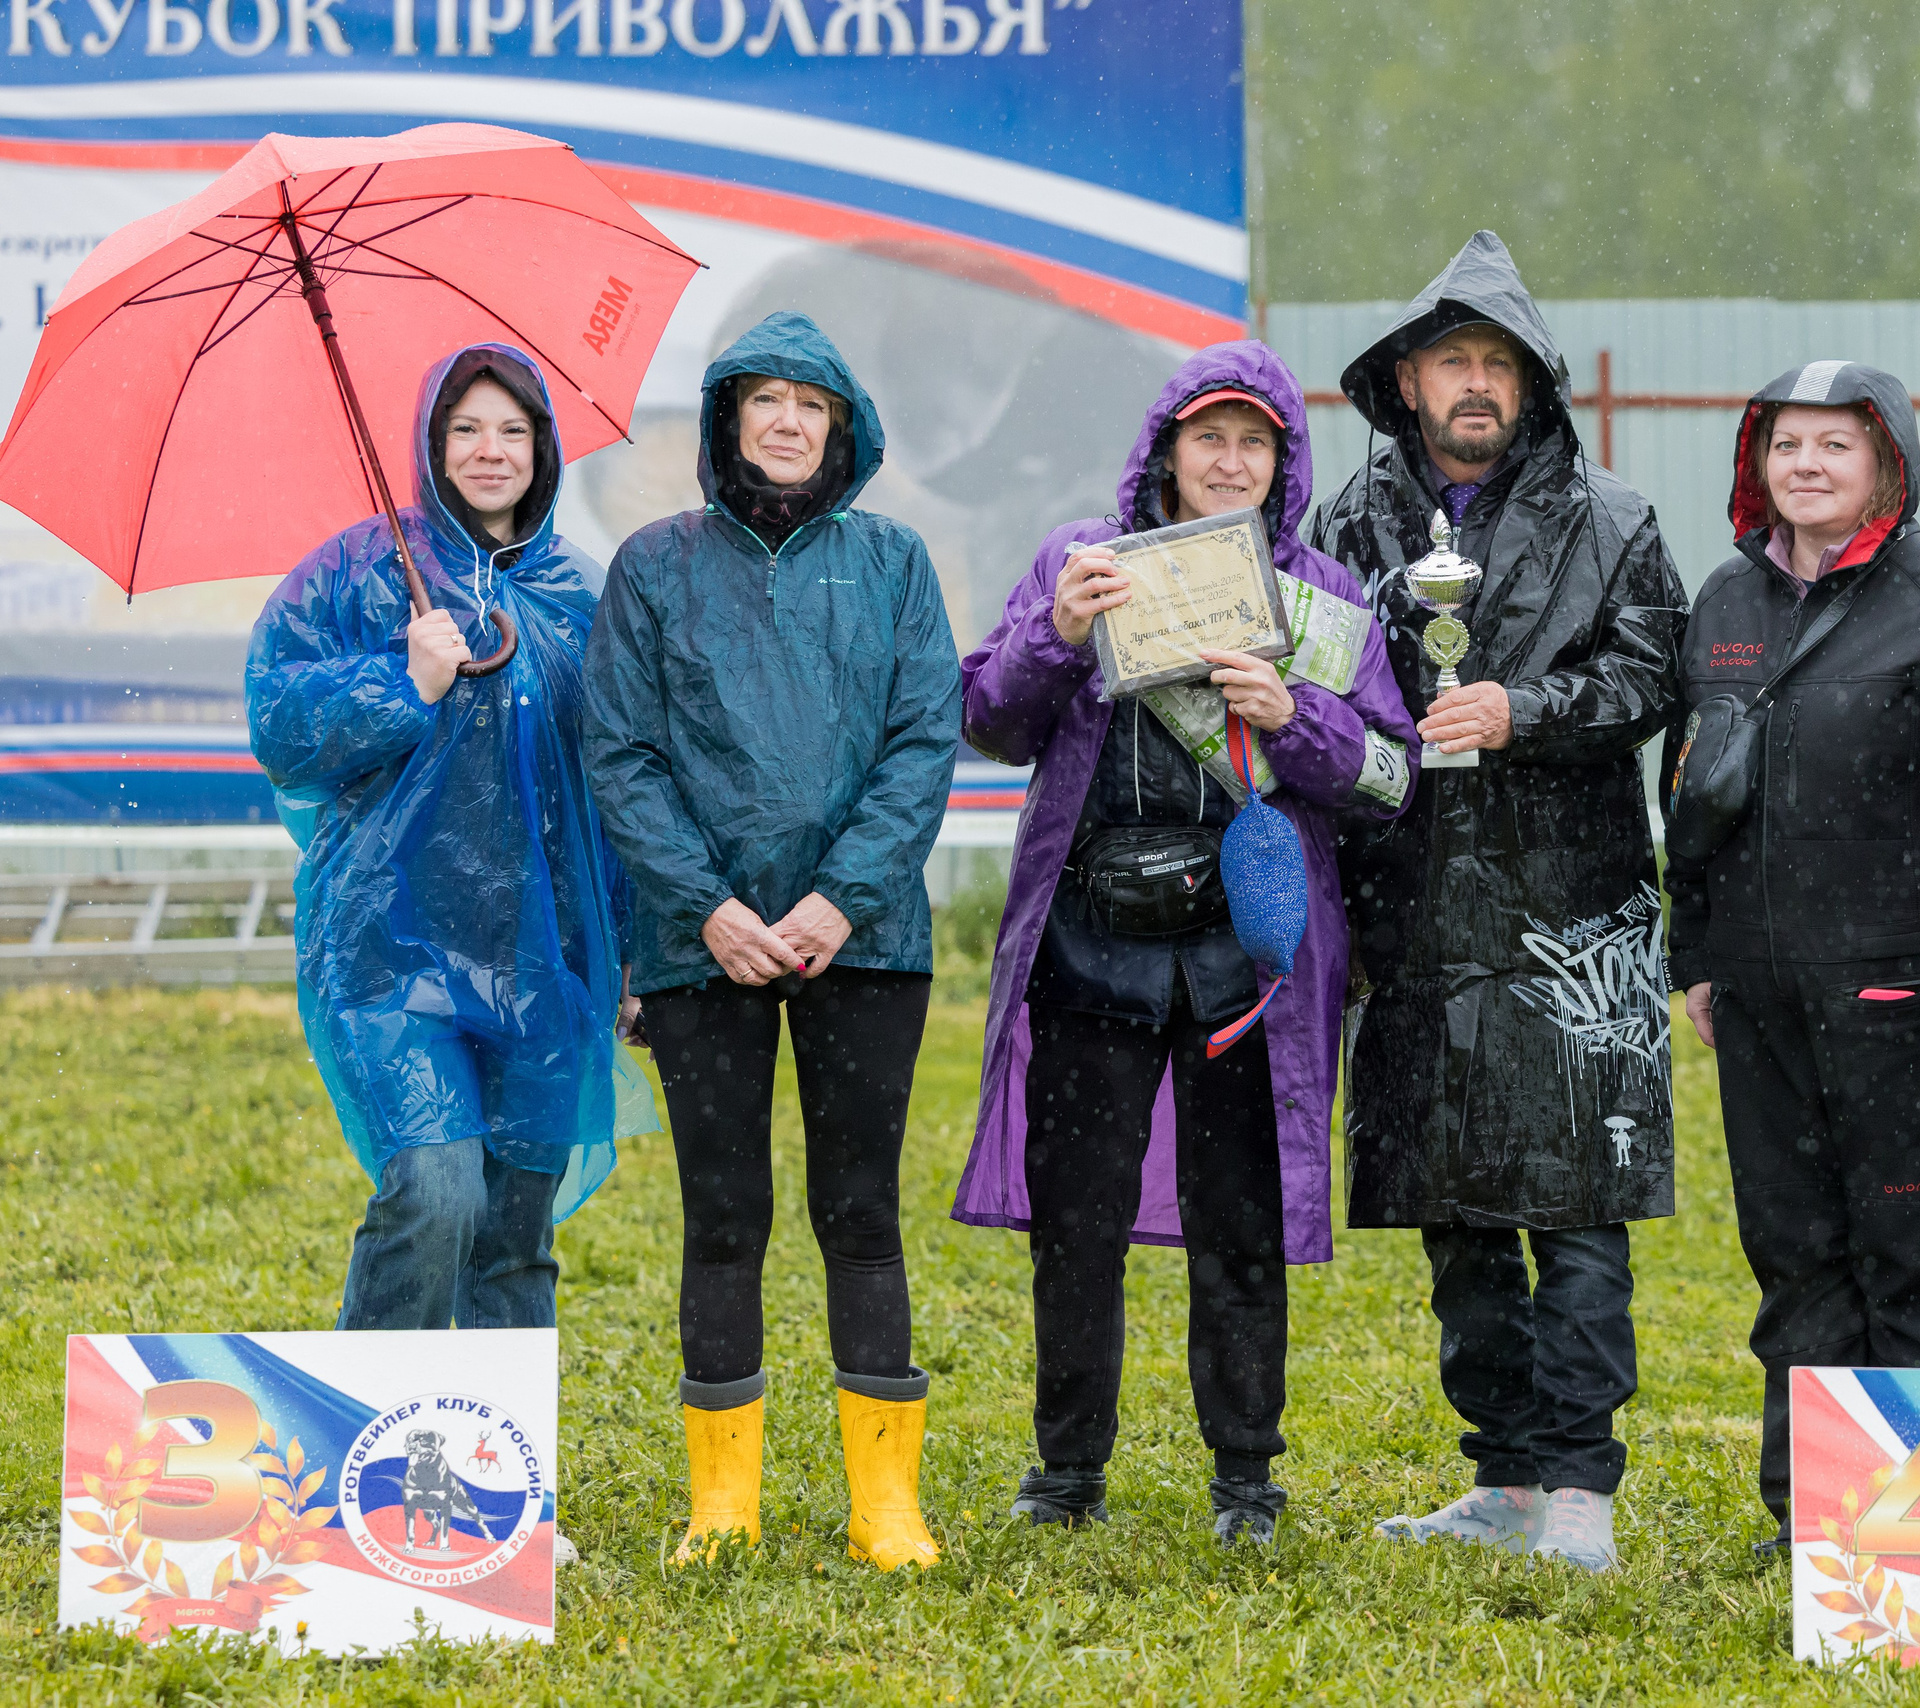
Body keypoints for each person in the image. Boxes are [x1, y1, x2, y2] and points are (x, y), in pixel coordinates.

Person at [951, 342, 1416, 1546]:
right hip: (1090, 943)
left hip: (1243, 959)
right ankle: (1065, 1472)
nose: (1228, 459)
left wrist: (1293, 715)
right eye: (1207, 438)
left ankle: (1246, 1478)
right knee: (1078, 1223)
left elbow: (1388, 774)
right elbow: (990, 717)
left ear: (1282, 462)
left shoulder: (1326, 598)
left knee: (1241, 1225)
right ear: (1164, 453)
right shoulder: (1080, 562)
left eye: (1253, 441)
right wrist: (1055, 633)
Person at [1309, 232, 1687, 1573]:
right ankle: (1507, 1478)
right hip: (1411, 913)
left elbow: (1654, 678)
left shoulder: (1618, 524)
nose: (1474, 384)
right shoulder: (1342, 530)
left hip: (1570, 916)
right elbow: (1313, 697)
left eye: (1497, 363)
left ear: (1532, 386)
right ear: (1404, 381)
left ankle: (1583, 1487)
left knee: (1576, 1208)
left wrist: (1528, 709)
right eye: (1450, 360)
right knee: (1452, 1211)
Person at [581, 312, 960, 1572]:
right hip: (704, 950)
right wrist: (708, 907)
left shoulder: (895, 562)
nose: (789, 421)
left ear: (842, 427)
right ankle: (722, 1503)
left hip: (867, 940)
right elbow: (622, 755)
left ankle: (885, 1504)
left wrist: (840, 898)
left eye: (814, 401)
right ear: (726, 421)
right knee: (722, 1212)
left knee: (859, 1208)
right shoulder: (653, 566)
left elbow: (920, 744)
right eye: (765, 400)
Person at [1662, 361, 1920, 1555]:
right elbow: (1688, 792)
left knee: (1915, 1255)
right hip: (1763, 998)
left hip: (1910, 997)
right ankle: (1816, 1521)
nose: (1808, 466)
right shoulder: (1724, 603)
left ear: (1887, 461)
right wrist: (1696, 956)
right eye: (1787, 445)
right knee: (1793, 1254)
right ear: (1755, 463)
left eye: (1837, 445)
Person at [249, 343, 641, 1359]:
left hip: (544, 962)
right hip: (389, 953)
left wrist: (636, 954)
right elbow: (280, 726)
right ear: (430, 444)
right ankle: (359, 1455)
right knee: (434, 1190)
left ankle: (496, 1505)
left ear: (544, 448)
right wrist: (399, 683)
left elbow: (622, 787)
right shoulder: (354, 573)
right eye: (465, 427)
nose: (489, 449)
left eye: (513, 429)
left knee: (514, 1233)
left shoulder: (579, 597)